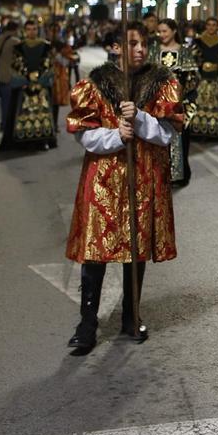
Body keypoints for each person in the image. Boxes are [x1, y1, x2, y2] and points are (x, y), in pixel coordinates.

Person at [64, 21, 184, 353]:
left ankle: (131, 316)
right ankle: (87, 323)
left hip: (143, 177)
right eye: (132, 43)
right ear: (117, 47)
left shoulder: (162, 84)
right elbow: (83, 135)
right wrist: (115, 136)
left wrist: (142, 118)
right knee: (95, 252)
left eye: (144, 43)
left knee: (136, 247)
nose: (141, 49)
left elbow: (168, 135)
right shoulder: (96, 85)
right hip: (103, 180)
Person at [148, 19, 198, 187]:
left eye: (165, 31)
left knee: (180, 139)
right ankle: (160, 174)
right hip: (158, 104)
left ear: (174, 31)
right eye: (159, 32)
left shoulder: (184, 51)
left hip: (179, 104)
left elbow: (192, 79)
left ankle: (179, 175)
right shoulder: (153, 51)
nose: (161, 35)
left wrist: (181, 94)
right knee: (158, 139)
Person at [0, 20, 57, 152]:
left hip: (40, 88)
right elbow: (15, 65)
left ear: (38, 30)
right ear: (25, 30)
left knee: (42, 115)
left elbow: (49, 64)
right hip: (24, 88)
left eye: (34, 29)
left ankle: (43, 141)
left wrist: (39, 77)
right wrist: (26, 78)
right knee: (24, 115)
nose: (32, 32)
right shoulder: (19, 47)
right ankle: (24, 142)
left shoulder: (46, 46)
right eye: (29, 29)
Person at [188, 18, 218, 141]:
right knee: (200, 105)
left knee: (214, 106)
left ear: (217, 27)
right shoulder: (198, 42)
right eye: (209, 25)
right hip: (201, 79)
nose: (211, 27)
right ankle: (199, 133)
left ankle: (213, 133)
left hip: (215, 79)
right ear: (206, 26)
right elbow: (192, 60)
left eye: (214, 25)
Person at [0, 21, 21, 131]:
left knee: (4, 102)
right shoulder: (15, 42)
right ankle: (11, 125)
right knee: (13, 104)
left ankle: (3, 124)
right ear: (15, 29)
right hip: (12, 76)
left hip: (1, 74)